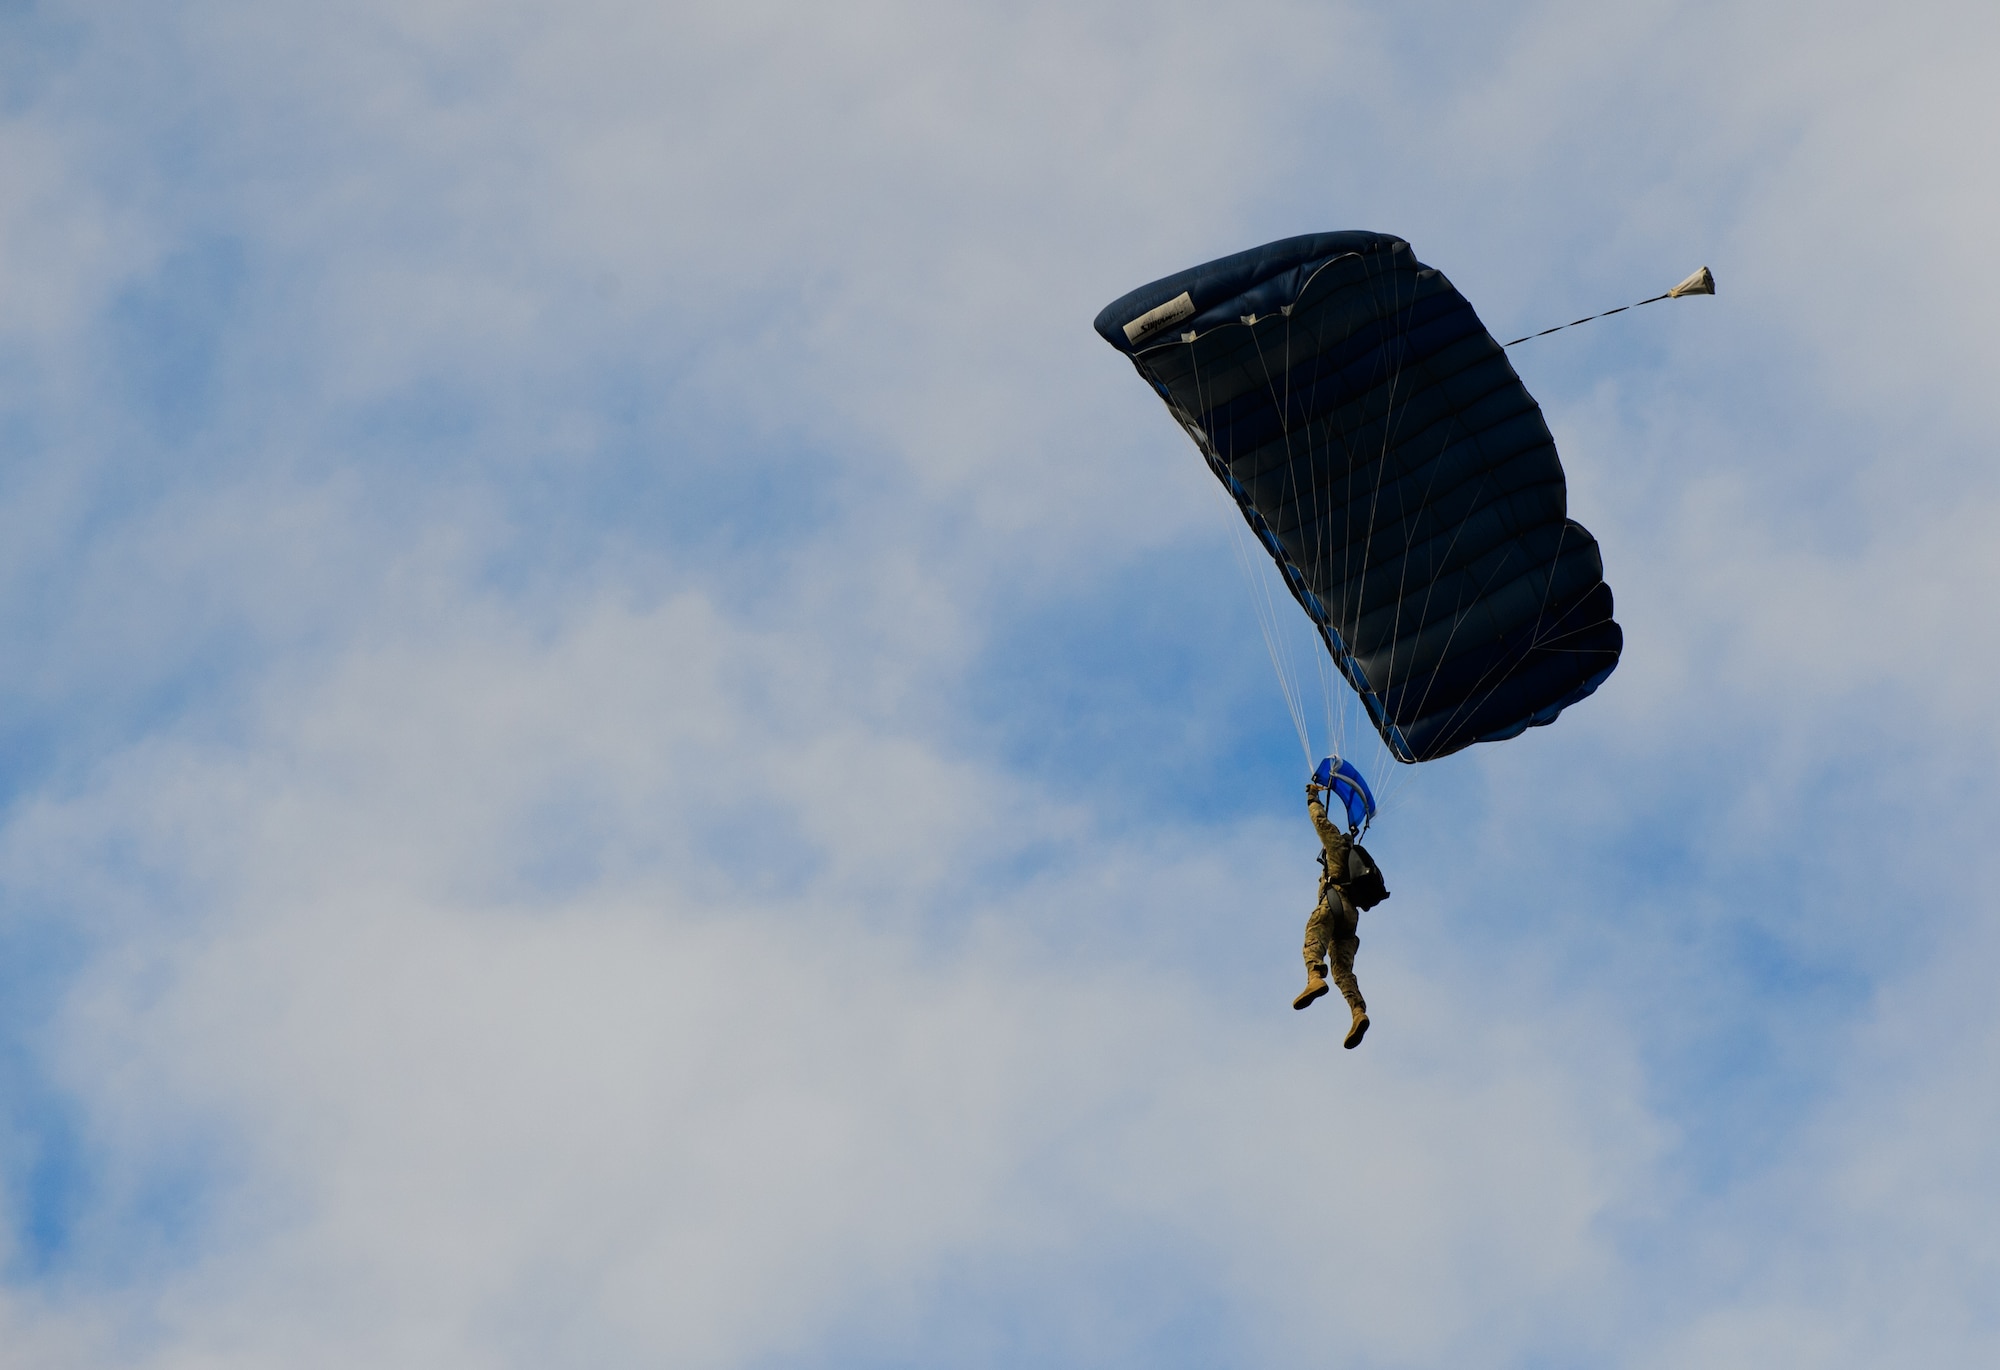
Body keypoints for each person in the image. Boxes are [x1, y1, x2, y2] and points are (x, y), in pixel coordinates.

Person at [1294, 780, 1369, 1048]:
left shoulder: (1337, 848)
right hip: (1351, 919)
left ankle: (1314, 976)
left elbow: (1320, 822)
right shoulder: (1355, 865)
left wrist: (1313, 797)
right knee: (1343, 970)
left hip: (1334, 903)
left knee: (1314, 934)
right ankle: (1357, 1011)